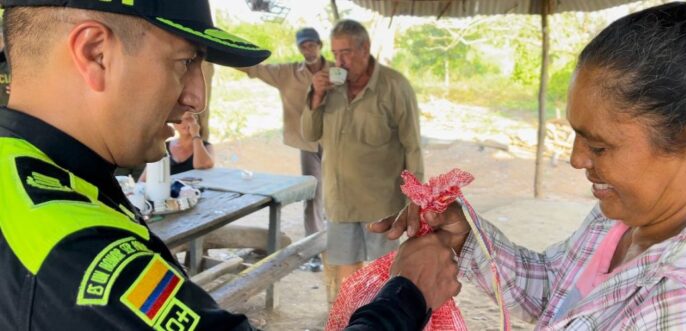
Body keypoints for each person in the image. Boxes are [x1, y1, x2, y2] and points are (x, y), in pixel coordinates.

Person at [362, 2, 686, 329]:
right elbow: (557, 292)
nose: (576, 159)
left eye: (599, 145)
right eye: (577, 134)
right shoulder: (625, 213)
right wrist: (468, 238)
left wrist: (401, 306)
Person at [0, 0, 272, 329]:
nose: (196, 99)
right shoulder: (73, 249)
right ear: (95, 53)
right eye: (185, 61)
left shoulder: (31, 170)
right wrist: (355, 302)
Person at [301, 19, 424, 306]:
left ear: (365, 48)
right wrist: (316, 95)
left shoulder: (394, 86)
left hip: (380, 203)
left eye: (346, 52)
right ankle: (353, 318)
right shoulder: (329, 87)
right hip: (340, 200)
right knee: (347, 271)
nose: (339, 61)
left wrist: (415, 198)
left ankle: (381, 319)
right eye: (335, 53)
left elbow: (412, 146)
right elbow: (310, 134)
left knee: (384, 272)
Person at [237, 27, 331, 272]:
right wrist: (226, 54)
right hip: (307, 143)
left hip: (337, 141)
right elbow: (255, 69)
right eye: (303, 46)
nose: (308, 49)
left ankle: (338, 244)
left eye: (311, 44)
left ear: (320, 45)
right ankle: (314, 251)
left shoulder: (338, 70)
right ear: (299, 48)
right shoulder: (287, 73)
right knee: (313, 193)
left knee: (337, 193)